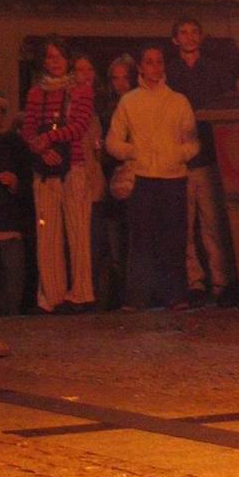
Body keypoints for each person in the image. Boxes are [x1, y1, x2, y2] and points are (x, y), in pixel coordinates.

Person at [106, 43, 199, 311]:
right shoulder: (129, 101)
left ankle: (176, 295)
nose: (155, 67)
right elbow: (113, 140)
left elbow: (192, 143)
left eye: (159, 62)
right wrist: (133, 151)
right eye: (149, 62)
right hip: (142, 178)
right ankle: (137, 297)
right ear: (141, 67)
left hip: (173, 178)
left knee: (174, 239)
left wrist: (176, 155)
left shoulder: (179, 101)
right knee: (141, 241)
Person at [165, 17, 237, 308]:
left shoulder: (215, 72)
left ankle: (221, 280)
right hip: (179, 159)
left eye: (194, 32)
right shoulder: (169, 73)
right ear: (175, 39)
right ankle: (194, 282)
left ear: (201, 37)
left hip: (208, 156)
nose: (189, 37)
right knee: (185, 225)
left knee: (212, 223)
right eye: (183, 32)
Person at [21, 36, 95, 313]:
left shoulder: (81, 91)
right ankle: (52, 295)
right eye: (50, 57)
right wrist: (40, 149)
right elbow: (28, 128)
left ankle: (81, 293)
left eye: (59, 57)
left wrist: (48, 139)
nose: (54, 62)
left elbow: (79, 125)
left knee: (77, 231)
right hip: (45, 170)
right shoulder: (35, 93)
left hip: (73, 167)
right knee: (48, 233)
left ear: (68, 60)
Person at [91, 54, 137, 310]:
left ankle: (134, 293)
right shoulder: (107, 108)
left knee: (133, 237)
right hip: (110, 177)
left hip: (135, 175)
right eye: (115, 78)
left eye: (124, 77)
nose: (120, 83)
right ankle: (119, 294)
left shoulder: (137, 106)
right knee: (114, 238)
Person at [72, 53, 107, 310]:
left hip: (94, 183)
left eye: (89, 69)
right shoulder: (69, 107)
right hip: (75, 180)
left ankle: (92, 292)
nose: (85, 75)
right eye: (79, 70)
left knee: (93, 241)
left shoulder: (99, 109)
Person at [0, 88, 26, 316]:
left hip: (9, 221)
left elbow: (25, 177)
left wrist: (14, 181)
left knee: (12, 275)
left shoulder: (14, 142)